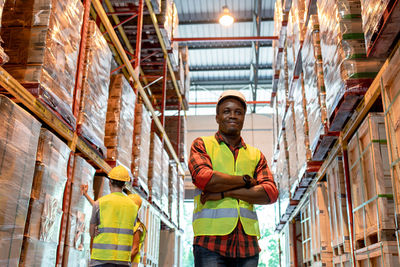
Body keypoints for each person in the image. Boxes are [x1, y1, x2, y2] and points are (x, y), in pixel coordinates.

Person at [189, 90, 279, 267]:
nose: (233, 116)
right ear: (217, 117)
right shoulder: (202, 145)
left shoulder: (255, 155)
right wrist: (246, 181)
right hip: (210, 243)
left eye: (238, 112)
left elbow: (270, 193)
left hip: (248, 246)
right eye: (227, 111)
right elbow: (204, 179)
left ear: (244, 118)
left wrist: (223, 193)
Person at [84, 165, 138, 267]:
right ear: (124, 185)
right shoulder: (133, 207)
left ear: (110, 182)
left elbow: (92, 233)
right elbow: (131, 226)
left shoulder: (99, 203)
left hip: (101, 259)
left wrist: (95, 229)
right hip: (123, 261)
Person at [128, 194, 147, 267]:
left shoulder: (138, 226)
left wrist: (125, 263)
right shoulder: (131, 223)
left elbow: (135, 249)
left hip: (131, 263)